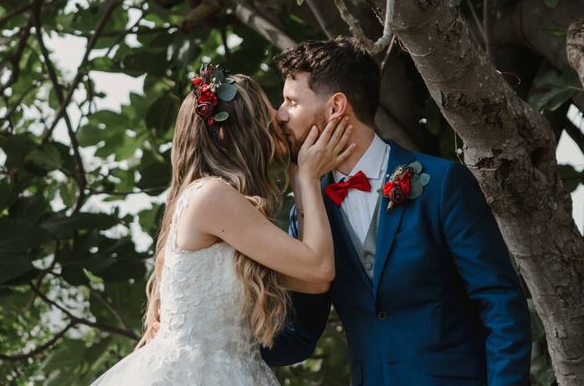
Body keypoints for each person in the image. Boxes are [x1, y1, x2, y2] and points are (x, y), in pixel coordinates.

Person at [260, 37, 532, 385]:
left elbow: (500, 304)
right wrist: (205, 337)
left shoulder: (442, 184)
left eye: (291, 102)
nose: (279, 115)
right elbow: (300, 335)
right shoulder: (310, 212)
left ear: (335, 107)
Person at [90, 67, 354, 385]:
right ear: (233, 134)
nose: (280, 121)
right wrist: (310, 179)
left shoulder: (223, 203)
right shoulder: (213, 197)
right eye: (267, 118)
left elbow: (312, 281)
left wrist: (299, 179)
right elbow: (319, 267)